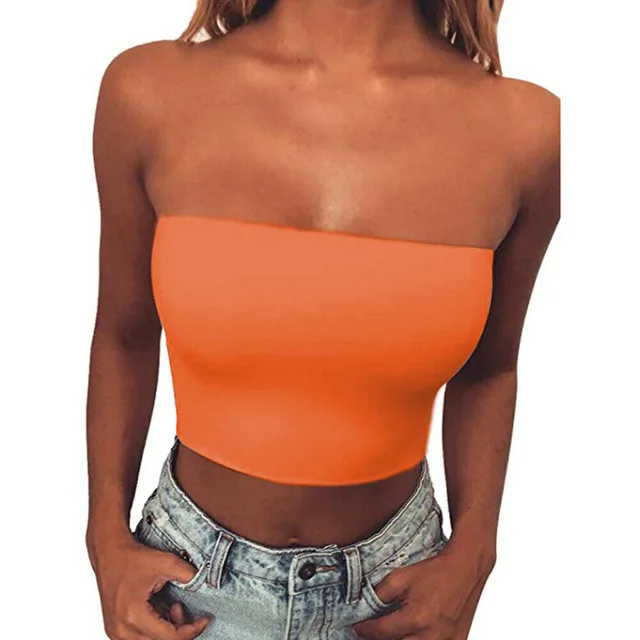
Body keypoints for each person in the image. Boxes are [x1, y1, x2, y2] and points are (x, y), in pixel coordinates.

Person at [85, 1, 560, 639]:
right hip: (184, 595)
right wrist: (104, 538)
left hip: (401, 598)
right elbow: (124, 332)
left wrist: (477, 548)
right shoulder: (149, 93)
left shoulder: (527, 133)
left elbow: (491, 367)